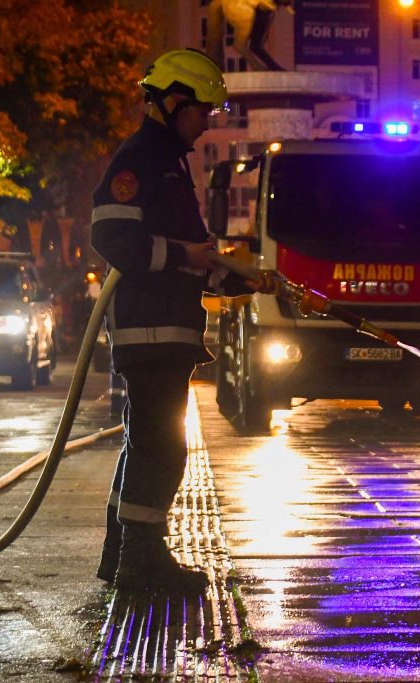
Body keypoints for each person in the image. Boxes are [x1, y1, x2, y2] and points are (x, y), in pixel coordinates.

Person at [90, 49, 275, 592]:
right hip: (149, 331)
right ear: (172, 103)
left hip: (164, 330)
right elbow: (112, 236)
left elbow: (194, 258)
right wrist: (182, 255)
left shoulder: (169, 164)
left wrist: (241, 280)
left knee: (146, 444)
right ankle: (141, 563)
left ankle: (121, 554)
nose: (205, 125)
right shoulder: (141, 158)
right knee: (162, 448)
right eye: (201, 112)